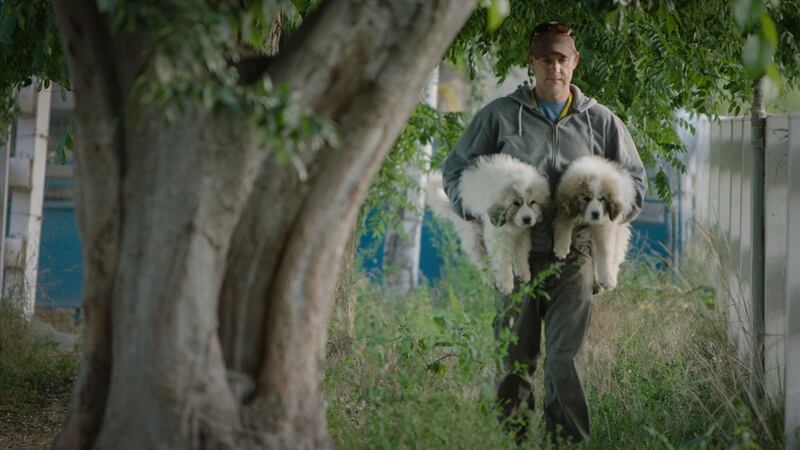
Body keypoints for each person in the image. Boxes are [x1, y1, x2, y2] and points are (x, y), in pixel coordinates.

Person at [441, 21, 647, 444]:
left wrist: (607, 215)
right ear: (531, 62)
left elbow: (635, 183)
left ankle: (566, 444)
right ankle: (513, 441)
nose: (555, 67)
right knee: (515, 361)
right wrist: (480, 213)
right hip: (516, 256)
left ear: (575, 62)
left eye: (562, 59)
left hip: (576, 257)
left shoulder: (601, 122)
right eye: (546, 59)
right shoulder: (499, 115)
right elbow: (456, 170)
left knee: (564, 363)